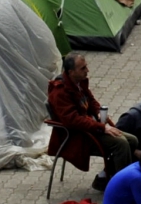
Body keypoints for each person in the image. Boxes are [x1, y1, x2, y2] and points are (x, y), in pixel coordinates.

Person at [48, 52, 135, 181]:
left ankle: (106, 178)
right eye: (83, 68)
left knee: (133, 140)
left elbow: (91, 100)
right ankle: (121, 186)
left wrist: (98, 112)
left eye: (86, 66)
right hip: (79, 136)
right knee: (121, 144)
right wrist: (102, 127)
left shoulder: (79, 82)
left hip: (91, 128)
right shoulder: (60, 91)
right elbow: (73, 120)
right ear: (71, 72)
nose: (87, 71)